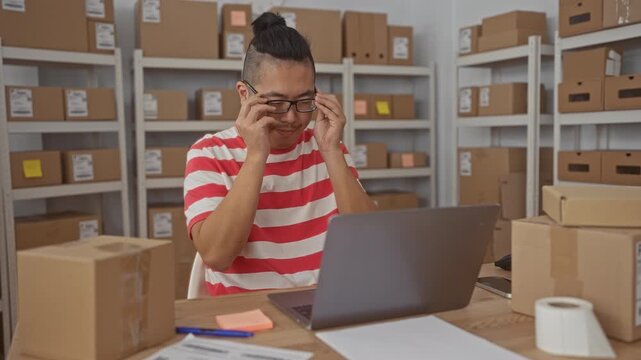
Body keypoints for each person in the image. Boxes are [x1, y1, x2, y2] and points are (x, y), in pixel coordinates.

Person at [183, 12, 376, 296]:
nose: (291, 117)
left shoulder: (328, 147)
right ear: (244, 94)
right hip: (248, 313)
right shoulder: (209, 153)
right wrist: (256, 156)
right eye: (276, 102)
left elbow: (369, 242)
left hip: (327, 303)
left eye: (304, 101)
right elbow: (217, 255)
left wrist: (331, 151)